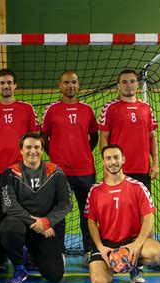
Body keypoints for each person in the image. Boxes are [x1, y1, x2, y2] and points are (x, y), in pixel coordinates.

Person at [84, 144, 160, 283]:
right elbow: (91, 222)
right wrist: (100, 247)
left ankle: (134, 266)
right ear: (103, 162)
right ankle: (114, 266)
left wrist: (136, 245)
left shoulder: (137, 186)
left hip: (132, 240)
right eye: (108, 158)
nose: (113, 162)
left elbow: (149, 217)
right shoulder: (95, 190)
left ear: (123, 159)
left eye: (116, 157)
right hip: (107, 244)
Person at [0, 68, 39, 272]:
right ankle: (3, 255)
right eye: (2, 83)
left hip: (21, 171)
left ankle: (27, 252)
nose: (6, 86)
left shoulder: (27, 109)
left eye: (9, 82)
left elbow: (34, 141)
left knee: (26, 211)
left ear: (15, 85)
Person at [41, 70, 99, 267]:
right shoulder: (51, 110)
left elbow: (94, 137)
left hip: (85, 171)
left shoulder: (88, 110)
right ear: (60, 85)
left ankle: (89, 252)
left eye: (74, 82)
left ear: (78, 84)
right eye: (66, 82)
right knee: (58, 214)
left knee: (88, 213)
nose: (70, 86)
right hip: (59, 172)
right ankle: (60, 252)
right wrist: (54, 158)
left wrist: (82, 152)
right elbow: (43, 138)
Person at [0, 132, 73, 283]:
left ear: (42, 150)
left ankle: (31, 255)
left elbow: (66, 203)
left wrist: (47, 222)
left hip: (44, 228)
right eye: (28, 147)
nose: (33, 151)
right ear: (21, 150)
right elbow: (9, 205)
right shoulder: (10, 173)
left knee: (55, 275)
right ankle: (19, 268)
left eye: (37, 147)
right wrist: (36, 222)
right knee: (8, 226)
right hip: (22, 226)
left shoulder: (55, 172)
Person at [98, 69, 159, 192]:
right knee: (118, 210)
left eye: (132, 81)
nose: (129, 85)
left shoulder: (146, 107)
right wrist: (106, 165)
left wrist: (155, 164)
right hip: (118, 170)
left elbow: (152, 137)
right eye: (124, 82)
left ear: (137, 84)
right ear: (118, 86)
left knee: (143, 210)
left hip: (142, 170)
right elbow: (103, 138)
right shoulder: (109, 108)